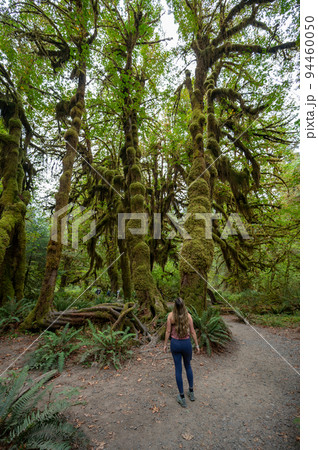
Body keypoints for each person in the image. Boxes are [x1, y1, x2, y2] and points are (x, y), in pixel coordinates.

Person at [163, 297, 200, 408]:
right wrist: (197, 345)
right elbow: (193, 332)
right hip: (186, 344)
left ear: (174, 306)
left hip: (175, 344)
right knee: (188, 366)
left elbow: (168, 331)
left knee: (178, 369)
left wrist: (165, 344)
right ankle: (191, 393)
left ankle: (182, 397)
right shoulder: (188, 316)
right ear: (183, 305)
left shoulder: (170, 316)